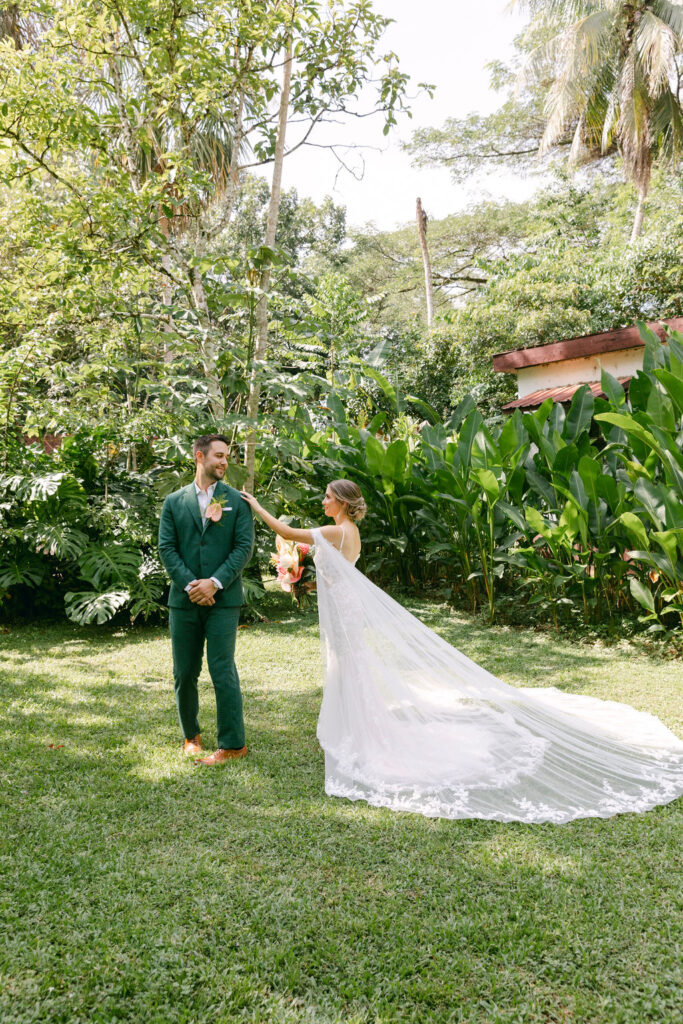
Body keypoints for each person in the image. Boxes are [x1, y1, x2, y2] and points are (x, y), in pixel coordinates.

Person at [241, 479, 683, 823]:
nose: (322, 501)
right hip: (346, 609)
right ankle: (350, 730)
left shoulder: (333, 531)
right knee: (349, 665)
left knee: (350, 666)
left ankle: (357, 734)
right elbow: (315, 552)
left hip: (344, 609)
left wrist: (255, 505)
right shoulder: (346, 530)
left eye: (326, 497)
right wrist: (296, 562)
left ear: (340, 501)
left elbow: (283, 529)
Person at [159, 435, 254, 766]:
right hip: (183, 602)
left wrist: (214, 583)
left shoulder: (237, 501)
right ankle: (191, 736)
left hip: (223, 601)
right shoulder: (174, 502)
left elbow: (243, 548)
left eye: (226, 456)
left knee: (222, 669)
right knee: (184, 672)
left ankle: (233, 744)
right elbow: (166, 549)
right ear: (199, 456)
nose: (224, 462)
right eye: (218, 456)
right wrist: (191, 586)